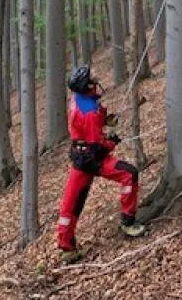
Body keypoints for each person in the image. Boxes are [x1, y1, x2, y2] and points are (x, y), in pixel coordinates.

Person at [56, 66, 145, 264]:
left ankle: (66, 245)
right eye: (92, 78)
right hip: (91, 158)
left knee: (71, 203)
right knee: (129, 174)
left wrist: (105, 119)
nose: (96, 79)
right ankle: (128, 222)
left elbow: (94, 119)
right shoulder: (88, 113)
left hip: (83, 155)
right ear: (86, 86)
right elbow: (97, 145)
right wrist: (112, 141)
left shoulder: (81, 99)